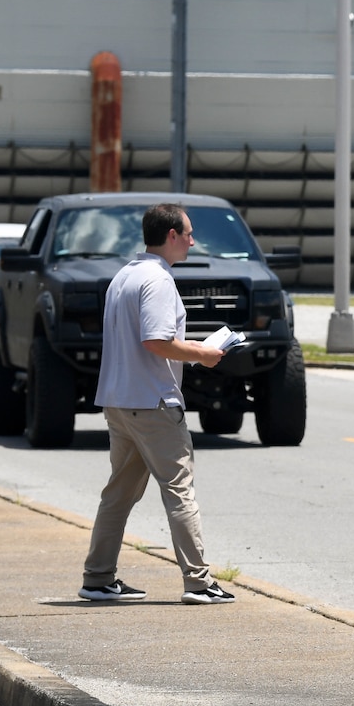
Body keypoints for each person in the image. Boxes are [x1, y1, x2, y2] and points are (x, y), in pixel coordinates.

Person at [79, 203, 236, 605]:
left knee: (118, 493)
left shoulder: (125, 276)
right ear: (170, 235)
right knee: (179, 490)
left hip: (118, 400)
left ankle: (98, 579)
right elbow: (156, 341)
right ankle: (199, 582)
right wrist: (202, 353)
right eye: (187, 233)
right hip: (153, 402)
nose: (192, 240)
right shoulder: (158, 280)